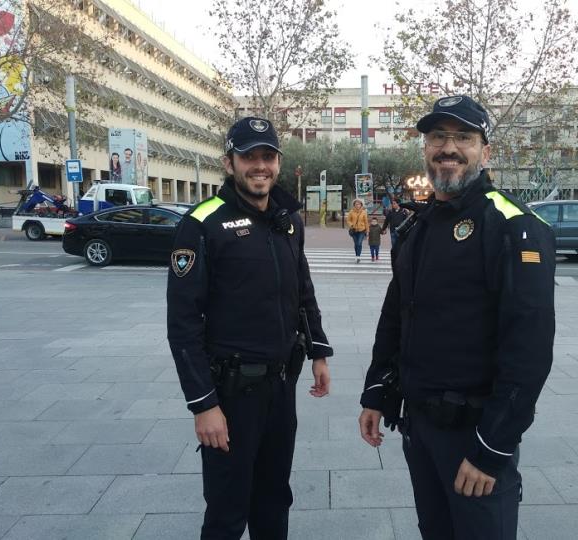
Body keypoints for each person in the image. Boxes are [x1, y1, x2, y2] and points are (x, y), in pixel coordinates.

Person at [358, 95, 556, 540]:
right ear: (425, 149)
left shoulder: (512, 227)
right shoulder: (418, 225)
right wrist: (375, 391)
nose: (448, 147)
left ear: (486, 152)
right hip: (420, 428)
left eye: (463, 137)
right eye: (437, 137)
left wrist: (493, 448)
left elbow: (529, 350)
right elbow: (397, 314)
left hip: (475, 437)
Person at [167, 116, 333, 540]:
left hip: (281, 389)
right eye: (249, 157)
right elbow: (183, 322)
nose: (260, 166)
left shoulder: (287, 219)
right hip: (230, 395)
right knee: (226, 510)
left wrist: (318, 351)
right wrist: (203, 405)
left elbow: (302, 287)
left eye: (268, 157)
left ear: (278, 163)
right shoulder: (202, 223)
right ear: (229, 163)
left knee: (275, 499)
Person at [347, 198, 368, 263]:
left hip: (362, 230)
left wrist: (367, 231)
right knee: (356, 244)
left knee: (359, 243)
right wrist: (351, 225)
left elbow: (366, 222)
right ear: (354, 205)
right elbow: (348, 220)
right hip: (354, 230)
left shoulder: (364, 212)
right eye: (356, 204)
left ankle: (358, 256)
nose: (357, 205)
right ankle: (356, 255)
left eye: (359, 204)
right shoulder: (351, 212)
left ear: (361, 205)